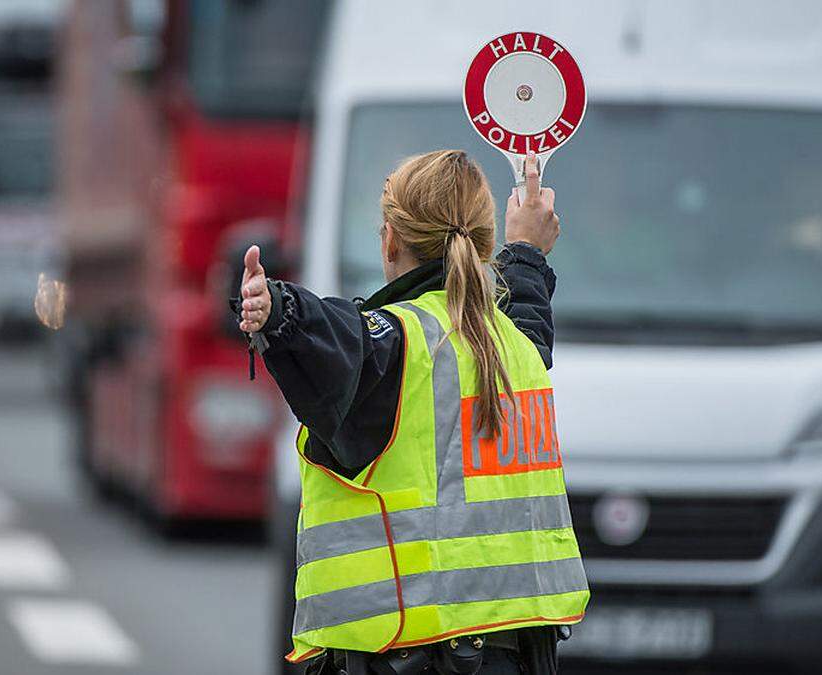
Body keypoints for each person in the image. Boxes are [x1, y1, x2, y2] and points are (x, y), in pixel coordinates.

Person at [239, 151, 588, 674]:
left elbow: (343, 338)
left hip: (407, 659)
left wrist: (279, 311)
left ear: (390, 241)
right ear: (484, 242)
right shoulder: (514, 348)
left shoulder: (399, 344)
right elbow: (529, 318)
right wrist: (527, 254)